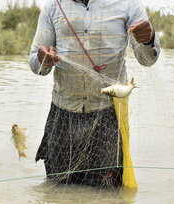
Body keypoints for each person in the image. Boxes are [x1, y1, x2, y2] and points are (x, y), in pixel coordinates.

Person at [29, 0, 160, 187]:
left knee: (106, 199)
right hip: (62, 115)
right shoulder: (53, 7)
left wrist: (149, 39)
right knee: (56, 197)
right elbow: (36, 63)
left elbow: (147, 60)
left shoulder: (128, 5)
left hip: (108, 116)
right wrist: (41, 58)